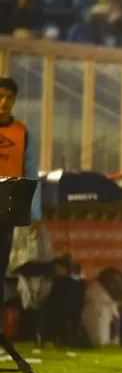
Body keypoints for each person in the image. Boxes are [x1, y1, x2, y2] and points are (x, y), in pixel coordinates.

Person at [0, 77, 42, 280]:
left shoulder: (22, 133)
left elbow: (31, 173)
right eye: (0, 97)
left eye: (9, 97)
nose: (3, 102)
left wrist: (35, 214)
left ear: (14, 100)